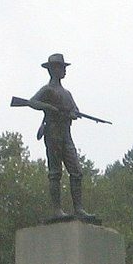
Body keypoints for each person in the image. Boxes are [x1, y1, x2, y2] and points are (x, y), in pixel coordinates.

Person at [29, 53, 99, 222]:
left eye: (64, 68)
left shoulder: (67, 93)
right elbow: (32, 102)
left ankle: (79, 209)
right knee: (55, 173)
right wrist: (49, 107)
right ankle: (57, 210)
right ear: (53, 70)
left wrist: (73, 113)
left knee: (76, 172)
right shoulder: (47, 90)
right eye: (61, 68)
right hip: (52, 132)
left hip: (66, 134)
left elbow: (75, 110)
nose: (64, 71)